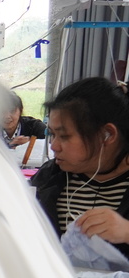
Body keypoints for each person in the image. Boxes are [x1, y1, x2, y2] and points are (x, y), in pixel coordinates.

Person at [30, 77, 129, 259]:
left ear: (107, 135)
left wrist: (126, 232)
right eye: (52, 134)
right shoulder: (49, 177)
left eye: (64, 136)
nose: (54, 146)